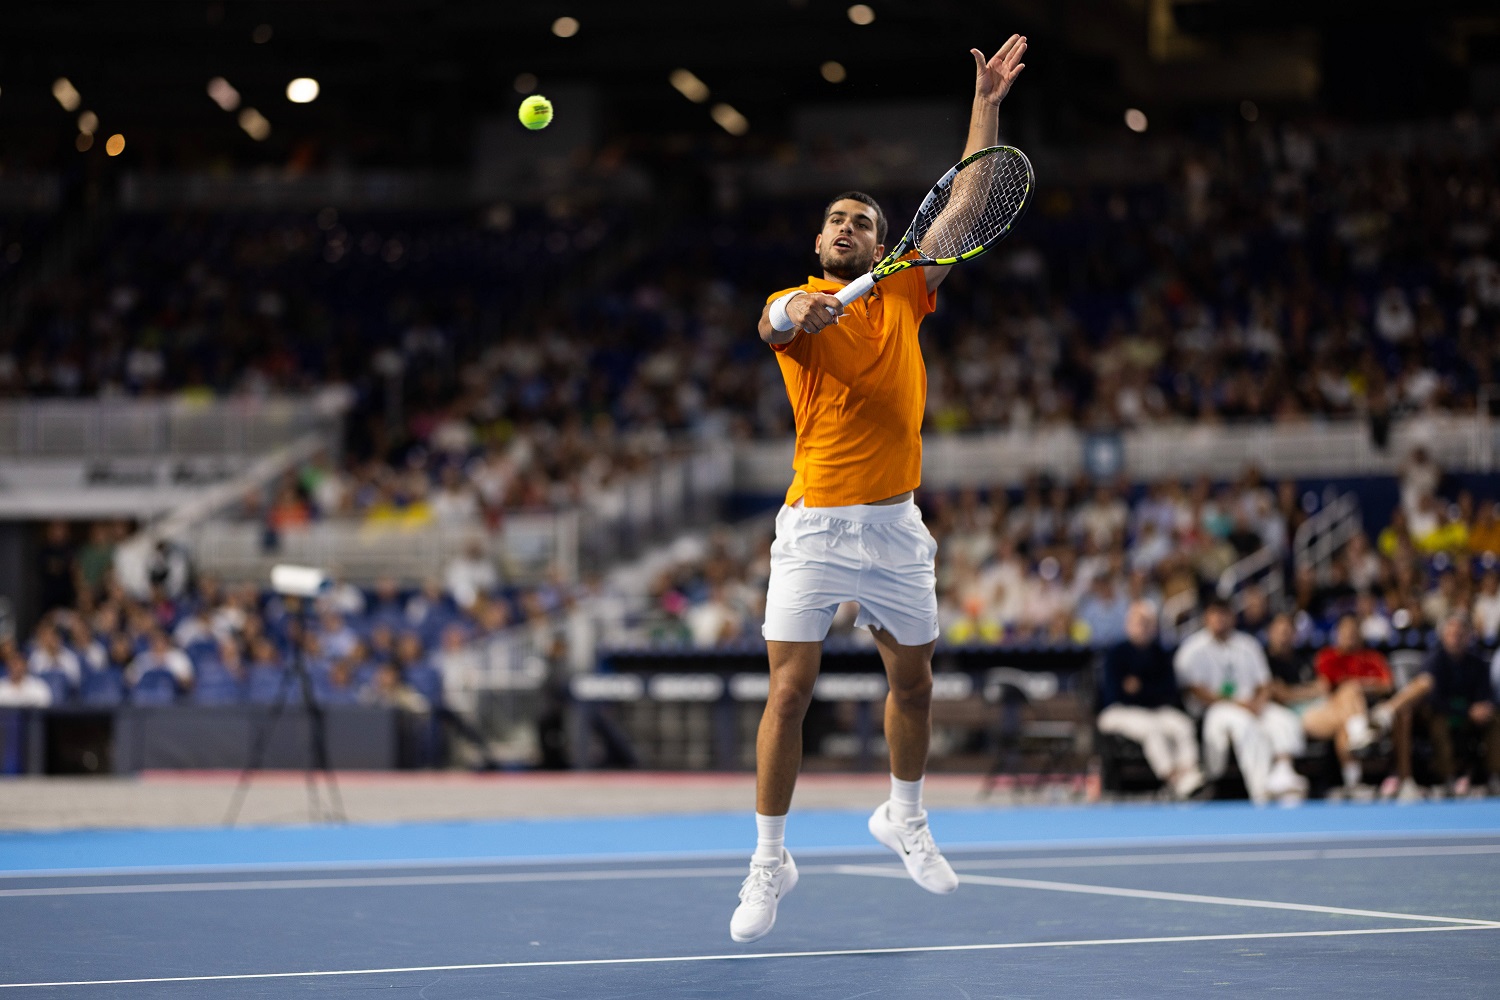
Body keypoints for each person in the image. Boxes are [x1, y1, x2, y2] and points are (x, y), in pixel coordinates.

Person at [731, 35, 1028, 944]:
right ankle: (768, 860)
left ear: (879, 236)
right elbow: (773, 321)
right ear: (820, 243)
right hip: (816, 528)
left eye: (863, 221)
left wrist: (985, 104)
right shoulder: (804, 306)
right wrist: (800, 310)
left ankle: (903, 813)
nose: (850, 229)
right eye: (837, 222)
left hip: (896, 525)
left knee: (917, 684)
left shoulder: (902, 289)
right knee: (790, 694)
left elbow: (967, 201)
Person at [1174, 598, 1307, 804]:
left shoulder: (1248, 644)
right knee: (1245, 726)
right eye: (1214, 614)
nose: (1219, 619)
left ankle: (1284, 771)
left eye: (1224, 614)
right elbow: (1193, 689)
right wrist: (1237, 704)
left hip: (1251, 703)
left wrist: (1259, 701)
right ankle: (1260, 791)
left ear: (1232, 617)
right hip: (1216, 708)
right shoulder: (1192, 649)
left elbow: (1264, 682)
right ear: (1206, 618)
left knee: (1283, 718)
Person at [1096, 601, 1204, 798]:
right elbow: (1114, 694)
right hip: (1118, 711)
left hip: (1155, 710)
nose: (1143, 627)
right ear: (1128, 624)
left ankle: (1189, 775)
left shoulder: (1160, 654)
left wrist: (1141, 689)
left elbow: (1169, 691)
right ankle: (1173, 779)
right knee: (1152, 729)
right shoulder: (1115, 653)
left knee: (1183, 725)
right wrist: (1145, 691)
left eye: (1148, 622)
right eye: (1139, 622)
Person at [1403, 614, 1500, 796]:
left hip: (1471, 717)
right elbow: (1434, 700)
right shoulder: (1434, 661)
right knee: (1439, 723)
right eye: (1452, 634)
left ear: (1468, 637)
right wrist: (1467, 711)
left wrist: (1482, 708)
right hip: (1444, 714)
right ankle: (1449, 778)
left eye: (1461, 634)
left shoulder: (1477, 663)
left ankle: (1494, 776)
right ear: (1443, 636)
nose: (1456, 638)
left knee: (1495, 719)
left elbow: (1484, 694)